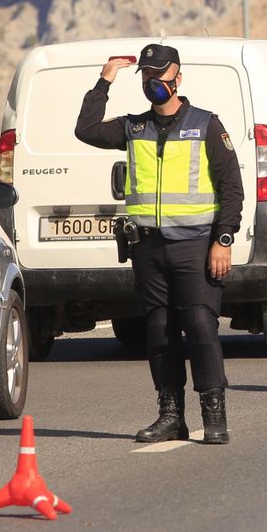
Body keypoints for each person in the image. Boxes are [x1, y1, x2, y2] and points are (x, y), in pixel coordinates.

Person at [74, 43, 244, 444]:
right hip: (148, 247)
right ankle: (171, 415)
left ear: (177, 78)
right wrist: (105, 80)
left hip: (196, 245)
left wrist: (223, 239)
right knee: (160, 331)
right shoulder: (133, 128)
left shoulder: (206, 124)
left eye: (160, 76)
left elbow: (232, 188)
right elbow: (86, 130)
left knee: (201, 326)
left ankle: (214, 414)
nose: (153, 83)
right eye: (147, 77)